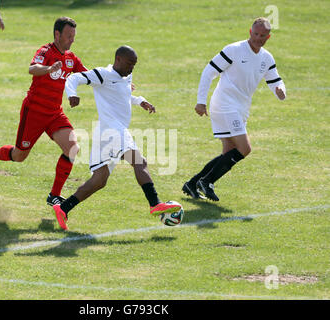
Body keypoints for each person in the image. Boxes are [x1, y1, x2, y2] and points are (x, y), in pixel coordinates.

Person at [52, 45, 182, 230]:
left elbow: (123, 93)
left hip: (105, 133)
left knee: (100, 180)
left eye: (134, 65)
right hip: (113, 130)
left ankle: (63, 208)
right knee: (139, 162)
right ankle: (155, 204)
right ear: (118, 59)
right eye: (130, 63)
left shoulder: (125, 75)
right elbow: (74, 78)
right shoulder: (103, 74)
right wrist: (72, 94)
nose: (132, 68)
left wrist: (140, 100)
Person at [0, 17, 87, 206]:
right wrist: (49, 68)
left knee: (72, 148)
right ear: (57, 34)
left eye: (74, 36)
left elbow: (89, 75)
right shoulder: (46, 51)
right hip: (34, 112)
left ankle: (54, 195)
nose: (72, 40)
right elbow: (32, 68)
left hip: (55, 113)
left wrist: (118, 83)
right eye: (69, 36)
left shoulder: (71, 59)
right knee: (19, 156)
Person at [182, 17, 286, 201]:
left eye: (262, 35)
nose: (258, 38)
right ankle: (206, 182)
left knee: (229, 151)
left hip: (241, 108)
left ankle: (193, 183)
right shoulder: (234, 50)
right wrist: (200, 101)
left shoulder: (266, 57)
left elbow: (275, 80)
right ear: (250, 32)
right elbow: (208, 71)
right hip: (224, 104)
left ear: (268, 37)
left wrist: (280, 90)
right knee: (244, 148)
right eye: (255, 34)